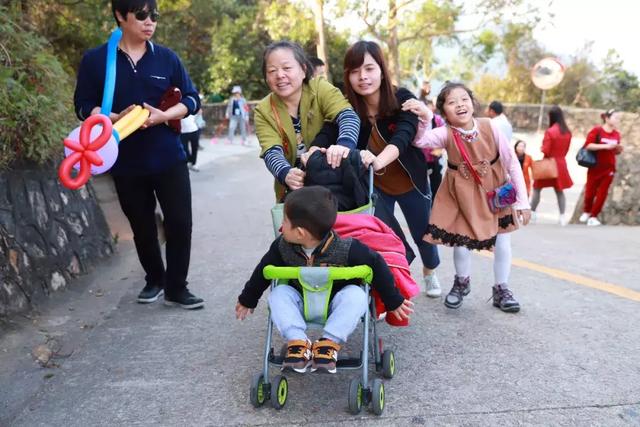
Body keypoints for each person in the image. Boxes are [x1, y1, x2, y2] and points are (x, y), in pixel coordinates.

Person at [74, 0, 204, 309]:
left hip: (168, 155)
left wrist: (164, 115)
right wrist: (111, 117)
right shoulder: (96, 60)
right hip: (124, 158)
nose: (150, 22)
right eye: (142, 15)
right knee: (141, 224)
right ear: (121, 15)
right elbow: (82, 103)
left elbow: (192, 99)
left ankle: (177, 287)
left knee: (180, 222)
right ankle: (155, 279)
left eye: (154, 15)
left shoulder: (166, 58)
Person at [235, 186, 413, 373]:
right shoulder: (282, 247)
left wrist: (393, 299)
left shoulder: (347, 248)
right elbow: (263, 270)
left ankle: (329, 342)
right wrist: (248, 298)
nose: (282, 225)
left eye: (285, 221)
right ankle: (298, 341)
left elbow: (377, 264)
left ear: (301, 233)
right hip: (301, 300)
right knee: (278, 293)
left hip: (337, 302)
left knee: (356, 295)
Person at [403, 82, 531, 312]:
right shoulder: (444, 133)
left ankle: (501, 289)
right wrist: (424, 118)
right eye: (452, 102)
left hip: (494, 190)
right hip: (460, 194)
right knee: (460, 241)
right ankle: (462, 281)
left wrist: (522, 201)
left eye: (464, 99)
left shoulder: (491, 127)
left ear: (473, 103)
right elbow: (420, 141)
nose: (459, 105)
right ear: (444, 111)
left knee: (503, 239)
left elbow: (512, 162)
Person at [339, 41, 441, 298]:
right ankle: (392, 287)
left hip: (411, 183)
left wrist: (378, 160)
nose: (363, 77)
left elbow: (403, 137)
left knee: (424, 235)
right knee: (387, 237)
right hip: (376, 187)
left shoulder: (402, 98)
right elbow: (333, 134)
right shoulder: (347, 108)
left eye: (369, 68)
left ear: (382, 71)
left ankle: (430, 270)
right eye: (355, 71)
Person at [255, 40, 360, 201]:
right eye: (272, 70)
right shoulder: (263, 110)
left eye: (287, 68)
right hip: (295, 193)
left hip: (335, 184)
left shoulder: (319, 88)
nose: (280, 75)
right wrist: (286, 173)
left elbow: (348, 116)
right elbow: (271, 151)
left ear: (303, 69)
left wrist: (344, 146)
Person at [579, 109, 623, 226]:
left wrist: (617, 149)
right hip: (595, 166)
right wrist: (606, 146)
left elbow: (614, 151)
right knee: (590, 192)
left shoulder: (617, 134)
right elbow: (589, 145)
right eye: (615, 117)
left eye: (619, 118)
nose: (617, 120)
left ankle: (594, 216)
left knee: (602, 193)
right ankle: (587, 211)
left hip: (609, 168)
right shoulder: (597, 131)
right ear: (607, 118)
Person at [530, 105, 573, 226]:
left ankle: (532, 213)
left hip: (548, 164)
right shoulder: (567, 132)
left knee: (537, 188)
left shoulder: (550, 131)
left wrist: (542, 147)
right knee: (559, 191)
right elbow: (567, 149)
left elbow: (546, 150)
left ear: (551, 117)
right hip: (560, 164)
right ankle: (562, 216)